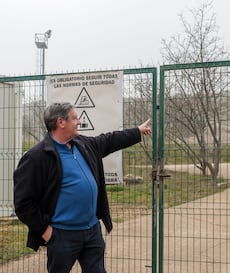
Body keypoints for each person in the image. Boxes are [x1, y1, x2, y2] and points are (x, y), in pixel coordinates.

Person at [13, 102, 152, 273]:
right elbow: (23, 203)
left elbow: (109, 140)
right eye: (74, 118)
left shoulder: (82, 144)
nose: (79, 122)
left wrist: (136, 131)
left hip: (91, 231)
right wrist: (46, 231)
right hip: (62, 235)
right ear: (60, 122)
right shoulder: (37, 157)